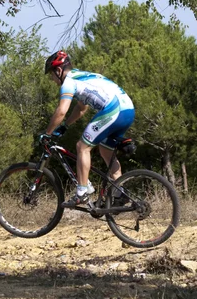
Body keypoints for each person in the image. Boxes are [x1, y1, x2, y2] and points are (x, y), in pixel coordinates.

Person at [41, 50, 135, 208]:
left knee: (82, 147)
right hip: (128, 109)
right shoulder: (80, 77)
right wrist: (65, 126)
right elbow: (81, 109)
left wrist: (47, 133)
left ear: (58, 71)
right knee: (105, 150)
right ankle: (121, 193)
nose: (52, 79)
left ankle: (82, 192)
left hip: (114, 110)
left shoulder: (68, 83)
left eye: (51, 74)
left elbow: (61, 111)